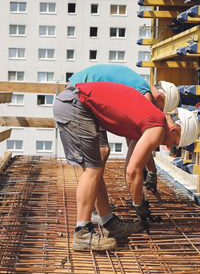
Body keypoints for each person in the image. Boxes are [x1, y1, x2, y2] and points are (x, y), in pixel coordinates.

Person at [53, 81, 200, 252]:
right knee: (92, 169)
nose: (168, 145)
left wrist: (143, 186)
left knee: (96, 168)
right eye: (174, 142)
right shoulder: (157, 127)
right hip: (76, 105)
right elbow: (132, 172)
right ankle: (82, 234)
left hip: (75, 102)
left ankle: (109, 222)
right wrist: (139, 205)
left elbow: (131, 166)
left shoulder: (151, 118)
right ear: (174, 130)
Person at [69, 65, 180, 197]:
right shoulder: (146, 96)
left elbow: (133, 138)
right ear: (160, 98)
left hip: (82, 91)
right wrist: (149, 172)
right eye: (160, 108)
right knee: (101, 152)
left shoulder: (140, 85)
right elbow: (143, 139)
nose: (159, 112)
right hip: (81, 95)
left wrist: (147, 169)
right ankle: (93, 204)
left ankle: (98, 204)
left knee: (101, 154)